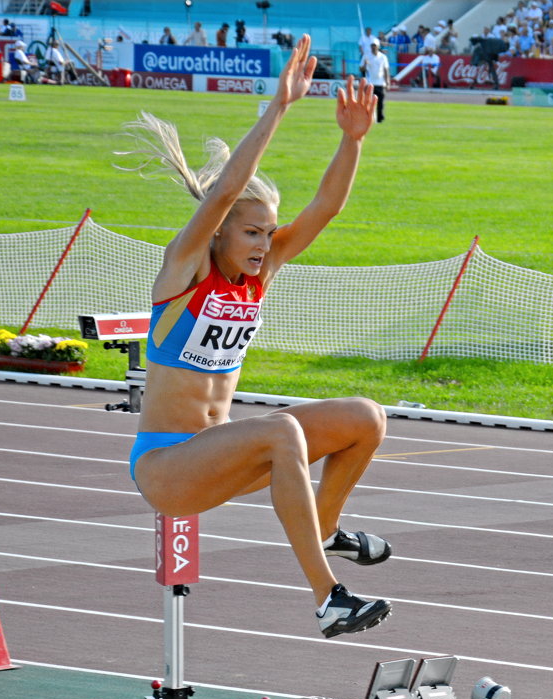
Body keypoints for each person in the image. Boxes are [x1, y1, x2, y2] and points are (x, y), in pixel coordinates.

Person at [114, 36, 391, 639]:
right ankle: (329, 598)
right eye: (251, 232)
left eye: (269, 232)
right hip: (167, 468)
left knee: (365, 417)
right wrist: (280, 107)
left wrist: (352, 140)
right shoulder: (183, 271)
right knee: (280, 429)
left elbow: (325, 207)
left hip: (222, 453)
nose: (266, 244)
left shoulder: (258, 276)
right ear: (219, 234)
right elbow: (220, 194)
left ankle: (323, 527)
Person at [360, 40, 390, 122]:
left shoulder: (383, 57)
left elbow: (386, 69)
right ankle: (368, 117)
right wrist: (365, 64)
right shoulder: (366, 56)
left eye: (375, 45)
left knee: (380, 102)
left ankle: (380, 118)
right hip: (370, 82)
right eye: (372, 45)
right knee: (368, 101)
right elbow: (361, 69)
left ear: (378, 46)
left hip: (380, 83)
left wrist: (387, 81)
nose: (373, 47)